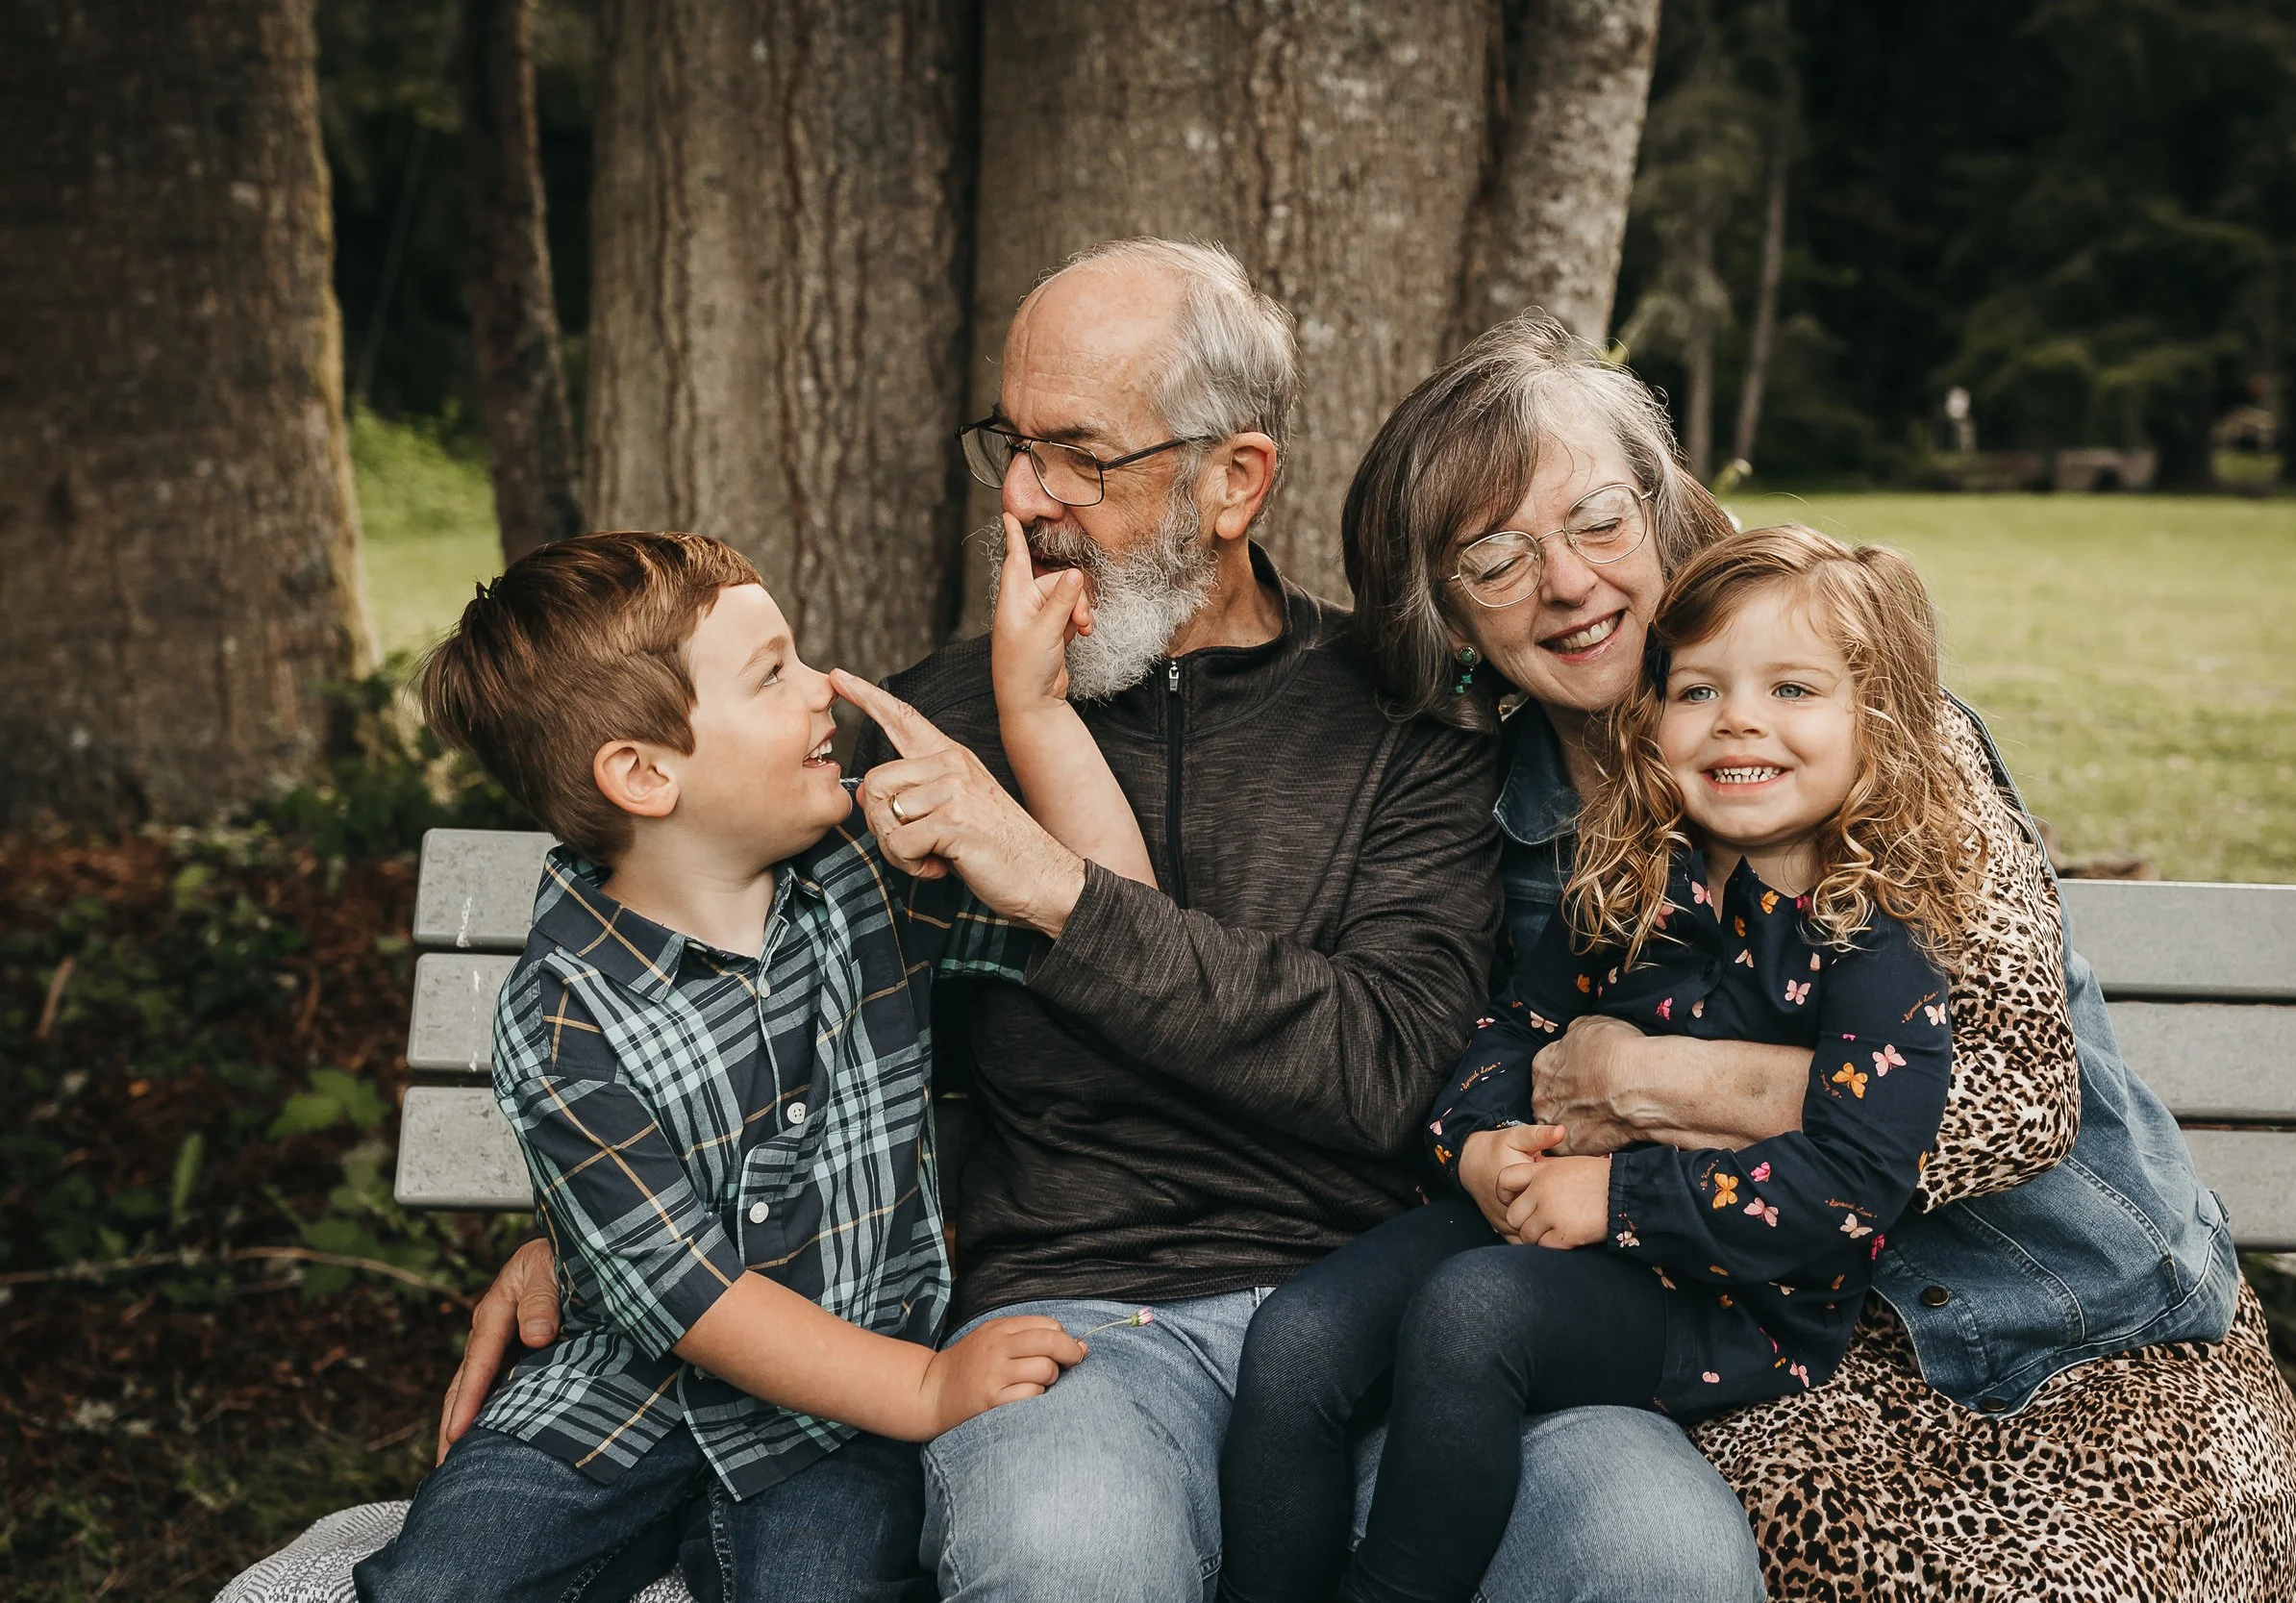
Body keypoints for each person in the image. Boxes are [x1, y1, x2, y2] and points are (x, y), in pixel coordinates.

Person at [441, 242, 1768, 1602]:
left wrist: (1049, 882)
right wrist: (597, 1227)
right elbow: (750, 995)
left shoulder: (1406, 720)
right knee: (1067, 1557)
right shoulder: (915, 730)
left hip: (1394, 1320)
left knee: (1657, 1549)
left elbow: (1390, 1073)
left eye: (1078, 454)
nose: (1024, 498)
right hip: (1070, 1326)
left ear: (1233, 480)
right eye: (1012, 447)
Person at [1335, 312, 2296, 1601]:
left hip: (2078, 1328)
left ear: (1659, 512)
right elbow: (1502, 1085)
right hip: (1785, 1348)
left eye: (1597, 520)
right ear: (1450, 614)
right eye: (1496, 556)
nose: (1569, 581)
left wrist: (1647, 1081)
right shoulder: (1503, 824)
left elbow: (2008, 1095)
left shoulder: (1878, 732)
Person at [1222, 527, 1974, 1603]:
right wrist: (1478, 1145)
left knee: (1475, 1315)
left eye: (1793, 687)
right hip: (1538, 1209)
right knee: (1294, 1342)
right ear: (1653, 719)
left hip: (1729, 1291)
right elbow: (1507, 1035)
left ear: (1880, 726)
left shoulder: (1872, 947)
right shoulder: (1629, 890)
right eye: (1699, 689)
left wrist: (1613, 1196)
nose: (1739, 720)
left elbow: (1850, 1182)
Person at [354, 530, 1101, 1603]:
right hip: (616, 1395)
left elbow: (1093, 914)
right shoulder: (564, 1017)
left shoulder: (863, 884)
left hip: (841, 1414)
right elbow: (691, 1298)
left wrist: (1020, 749)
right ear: (646, 773)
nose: (824, 691)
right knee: (436, 1583)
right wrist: (931, 1386)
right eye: (773, 673)